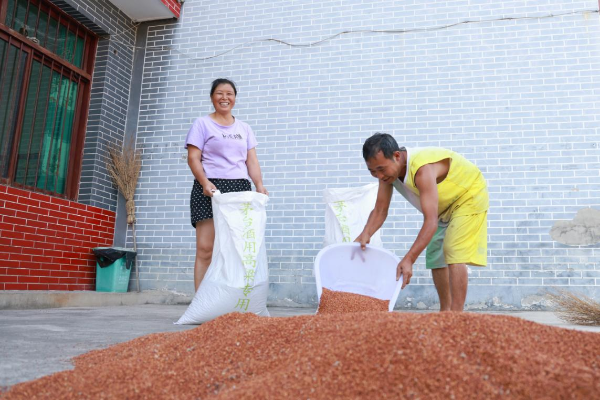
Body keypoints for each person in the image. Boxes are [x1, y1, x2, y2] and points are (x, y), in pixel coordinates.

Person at [355, 133, 488, 311]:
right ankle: (445, 312)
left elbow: (430, 221)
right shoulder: (388, 175)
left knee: (453, 249)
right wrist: (366, 234)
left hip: (467, 196)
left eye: (381, 169)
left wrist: (409, 259)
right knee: (435, 256)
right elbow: (380, 210)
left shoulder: (421, 169)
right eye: (372, 171)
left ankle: (457, 317)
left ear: (396, 156)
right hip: (443, 206)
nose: (378, 175)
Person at [185, 78, 268, 291]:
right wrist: (205, 182)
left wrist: (258, 184)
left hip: (240, 188)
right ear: (212, 97)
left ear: (235, 98)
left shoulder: (244, 128)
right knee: (206, 248)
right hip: (209, 188)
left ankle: (232, 298)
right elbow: (194, 158)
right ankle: (202, 301)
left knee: (236, 248)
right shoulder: (202, 124)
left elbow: (251, 160)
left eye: (229, 94)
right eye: (219, 93)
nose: (225, 97)